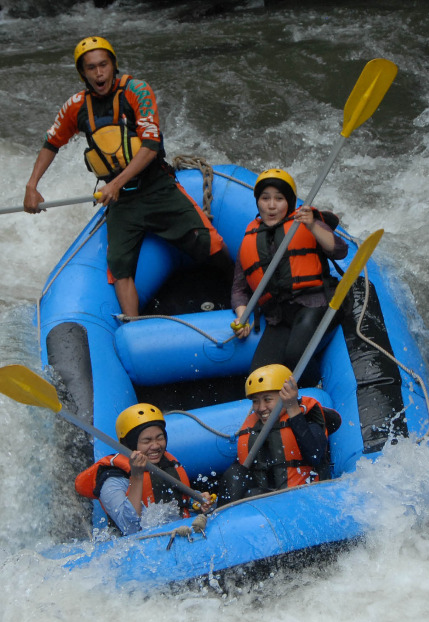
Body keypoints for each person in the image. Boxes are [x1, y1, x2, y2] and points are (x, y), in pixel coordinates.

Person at [23, 36, 230, 318]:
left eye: (103, 65)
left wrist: (116, 184)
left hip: (156, 187)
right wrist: (32, 185)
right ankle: (133, 326)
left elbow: (150, 146)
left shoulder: (137, 91)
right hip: (122, 202)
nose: (99, 74)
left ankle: (243, 291)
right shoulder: (76, 106)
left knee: (210, 243)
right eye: (91, 68)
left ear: (113, 65)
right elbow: (51, 144)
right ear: (82, 73)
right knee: (120, 267)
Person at [230, 168, 348, 370]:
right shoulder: (249, 240)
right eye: (265, 198)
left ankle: (313, 389)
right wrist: (242, 315)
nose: (272, 206)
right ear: (258, 201)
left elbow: (339, 251)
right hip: (280, 317)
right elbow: (239, 290)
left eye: (279, 199)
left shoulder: (307, 222)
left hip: (316, 303)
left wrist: (312, 226)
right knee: (260, 373)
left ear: (289, 202)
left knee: (295, 356)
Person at [73, 402, 208, 536]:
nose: (155, 446)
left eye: (159, 438)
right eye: (146, 441)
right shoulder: (112, 478)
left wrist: (197, 502)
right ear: (131, 444)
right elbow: (129, 528)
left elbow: (177, 502)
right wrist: (136, 476)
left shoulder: (166, 463)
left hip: (178, 532)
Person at [216, 364, 341, 505]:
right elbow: (240, 475)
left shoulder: (307, 419)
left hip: (306, 499)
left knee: (255, 494)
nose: (261, 408)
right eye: (255, 401)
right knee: (235, 474)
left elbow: (315, 456)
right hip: (271, 500)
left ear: (285, 396)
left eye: (267, 399)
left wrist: (292, 408)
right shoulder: (255, 430)